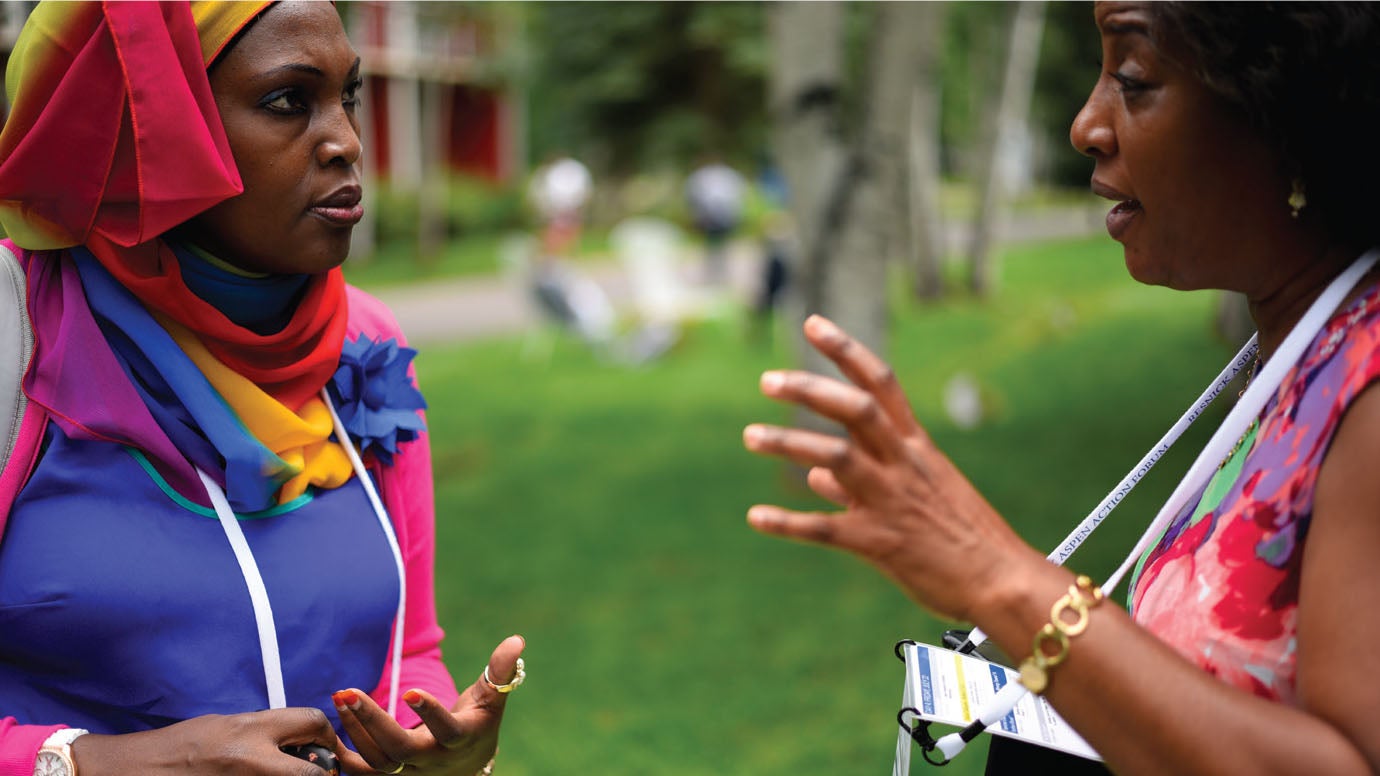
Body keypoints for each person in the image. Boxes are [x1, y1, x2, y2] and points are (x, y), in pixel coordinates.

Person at [744, 3, 1380, 774]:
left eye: (1135, 77)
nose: (1086, 124)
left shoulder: (1367, 390)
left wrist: (998, 577)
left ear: (1289, 106)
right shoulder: (1293, 354)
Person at [0, 3, 525, 775]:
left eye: (348, 95)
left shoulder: (363, 342)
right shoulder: (19, 333)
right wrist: (103, 762)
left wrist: (431, 743)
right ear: (149, 129)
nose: (347, 141)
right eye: (288, 102)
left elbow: (410, 651)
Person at [684, 157, 747, 286]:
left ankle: (717, 273)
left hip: (718, 215)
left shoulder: (703, 176)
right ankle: (717, 273)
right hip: (716, 215)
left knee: (717, 245)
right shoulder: (728, 175)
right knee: (717, 245)